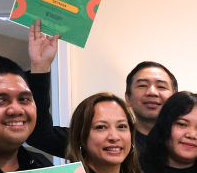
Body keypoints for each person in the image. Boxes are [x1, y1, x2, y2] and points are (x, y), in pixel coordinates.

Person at [25, 20, 176, 156]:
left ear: (175, 98)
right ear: (127, 98)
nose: (152, 92)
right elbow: (40, 135)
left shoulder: (188, 144)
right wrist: (41, 66)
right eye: (142, 85)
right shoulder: (99, 140)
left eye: (161, 86)